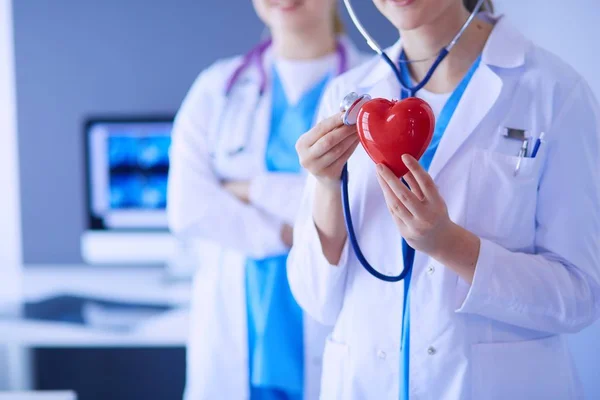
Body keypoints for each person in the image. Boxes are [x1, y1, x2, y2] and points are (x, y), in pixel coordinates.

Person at [288, 0, 600, 398]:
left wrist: (451, 245)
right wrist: (327, 185)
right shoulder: (346, 97)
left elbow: (580, 295)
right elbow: (316, 300)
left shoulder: (553, 91)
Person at [167, 1, 365, 399]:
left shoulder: (372, 90)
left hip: (337, 328)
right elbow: (188, 208)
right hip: (234, 335)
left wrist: (247, 189)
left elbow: (366, 210)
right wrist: (295, 230)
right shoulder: (216, 89)